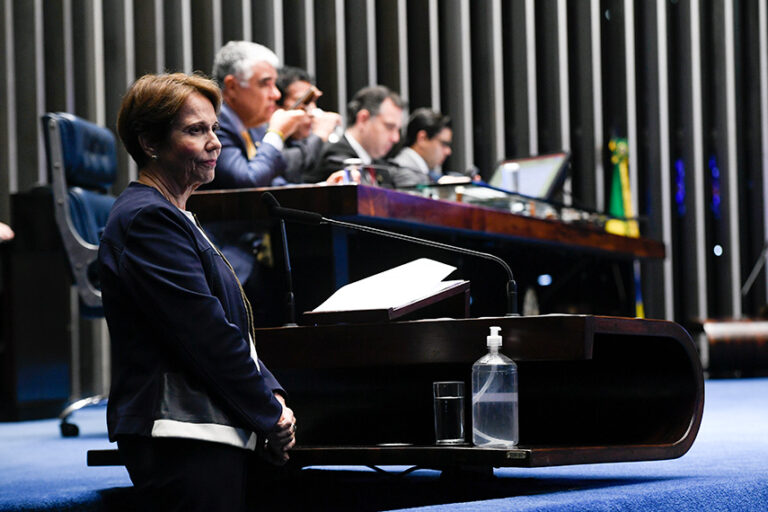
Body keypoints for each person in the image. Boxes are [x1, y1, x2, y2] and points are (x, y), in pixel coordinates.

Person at [99, 72, 296, 512]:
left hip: (207, 427)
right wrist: (268, 412)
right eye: (195, 131)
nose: (214, 143)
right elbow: (204, 333)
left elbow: (229, 325)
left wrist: (273, 394)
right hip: (180, 435)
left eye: (214, 128)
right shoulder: (148, 219)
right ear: (150, 142)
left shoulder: (175, 214)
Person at [205, 40, 307, 189]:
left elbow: (273, 183)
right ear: (232, 86)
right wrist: (276, 134)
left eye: (274, 84)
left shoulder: (254, 124)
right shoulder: (213, 123)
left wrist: (324, 186)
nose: (276, 94)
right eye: (265, 84)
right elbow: (247, 183)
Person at [305, 85, 404, 186]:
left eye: (398, 129)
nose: (396, 138)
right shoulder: (335, 157)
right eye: (389, 127)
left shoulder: (380, 165)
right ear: (363, 119)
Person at [275, 66, 342, 184]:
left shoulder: (307, 141)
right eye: (304, 102)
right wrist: (319, 135)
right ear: (277, 106)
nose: (312, 111)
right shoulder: (265, 135)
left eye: (313, 102)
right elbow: (283, 165)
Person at [389, 108, 453, 187]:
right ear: (422, 138)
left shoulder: (415, 171)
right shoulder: (405, 173)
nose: (448, 151)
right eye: (444, 144)